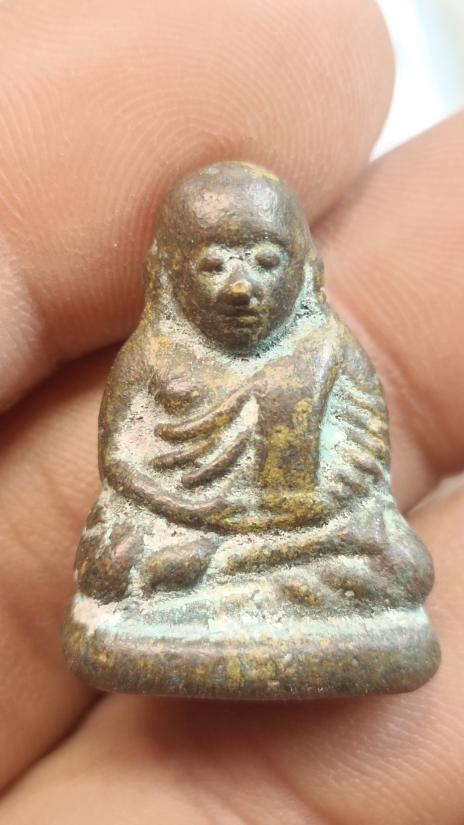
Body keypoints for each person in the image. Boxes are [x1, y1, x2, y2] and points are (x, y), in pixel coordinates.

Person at [0, 0, 463, 821]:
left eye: (264, 260)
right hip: (186, 533)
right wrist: (197, 522)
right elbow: (127, 466)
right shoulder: (155, 357)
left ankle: (232, 590)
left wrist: (295, 519)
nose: (240, 287)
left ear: (303, 268)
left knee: (395, 565)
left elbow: (362, 464)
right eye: (213, 262)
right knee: (118, 562)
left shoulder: (329, 353)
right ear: (170, 271)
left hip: (313, 534)